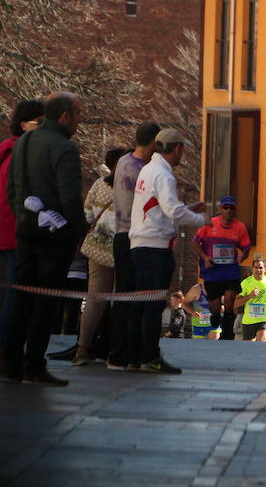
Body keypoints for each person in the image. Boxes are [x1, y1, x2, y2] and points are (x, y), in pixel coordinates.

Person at [2, 92, 88, 385]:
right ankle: (35, 365)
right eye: (77, 114)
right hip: (56, 234)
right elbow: (69, 198)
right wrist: (78, 230)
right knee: (46, 302)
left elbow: (13, 189)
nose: (79, 119)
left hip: (26, 230)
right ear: (64, 116)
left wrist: (23, 218)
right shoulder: (64, 148)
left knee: (23, 297)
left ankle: (12, 362)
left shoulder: (24, 141)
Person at [130, 128, 209, 373]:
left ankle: (136, 355)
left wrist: (187, 209)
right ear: (178, 149)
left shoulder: (147, 169)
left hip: (140, 245)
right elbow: (173, 211)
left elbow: (161, 208)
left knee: (141, 304)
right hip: (156, 248)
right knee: (153, 306)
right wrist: (201, 219)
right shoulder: (164, 174)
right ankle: (150, 357)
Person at [108, 122, 160, 370]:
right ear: (152, 142)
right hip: (132, 236)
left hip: (122, 234)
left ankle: (123, 351)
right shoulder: (139, 169)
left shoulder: (123, 161)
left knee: (125, 296)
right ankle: (120, 353)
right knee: (129, 297)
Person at [74, 147, 129, 365]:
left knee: (94, 300)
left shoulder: (99, 184)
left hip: (97, 249)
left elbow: (86, 215)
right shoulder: (132, 186)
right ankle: (115, 351)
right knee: (120, 302)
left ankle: (82, 349)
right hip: (123, 250)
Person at [0, 100, 44, 358]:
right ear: (23, 124)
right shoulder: (24, 153)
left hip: (6, 229)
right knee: (15, 297)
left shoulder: (6, 151)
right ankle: (7, 351)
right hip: (14, 230)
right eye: (38, 123)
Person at [193, 195, 251, 340]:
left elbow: (246, 248)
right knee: (215, 306)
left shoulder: (240, 227)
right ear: (220, 209)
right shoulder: (209, 224)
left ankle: (227, 333)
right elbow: (195, 243)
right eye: (226, 207)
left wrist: (242, 256)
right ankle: (215, 315)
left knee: (230, 298)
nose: (229, 211)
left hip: (230, 270)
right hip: (212, 271)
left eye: (232, 208)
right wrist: (205, 258)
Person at [235, 257, 266, 342]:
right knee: (249, 348)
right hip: (248, 321)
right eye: (256, 267)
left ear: (265, 269)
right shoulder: (246, 283)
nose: (258, 270)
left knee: (261, 343)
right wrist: (250, 296)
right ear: (252, 269)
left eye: (261, 267)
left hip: (265, 319)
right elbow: (236, 303)